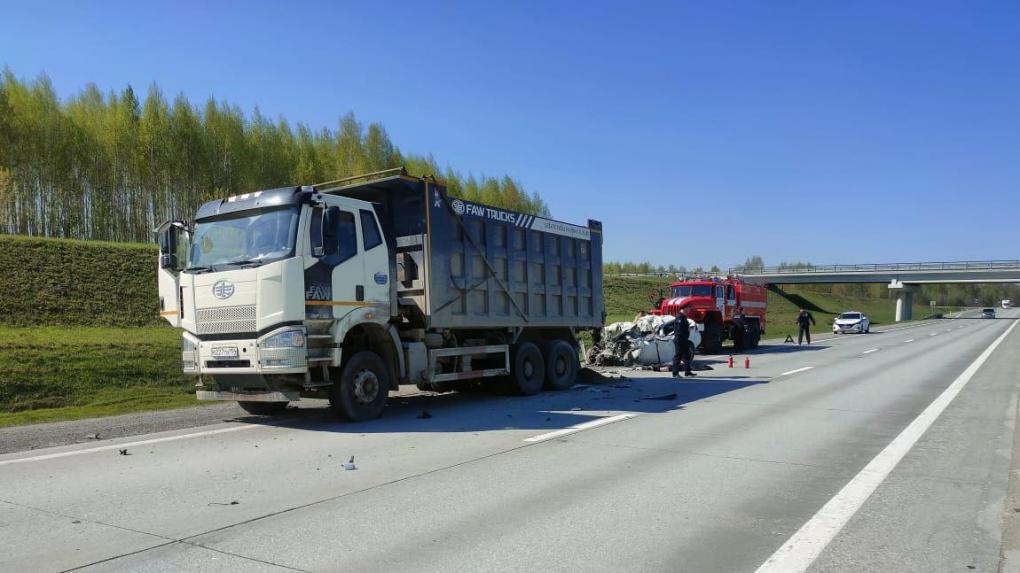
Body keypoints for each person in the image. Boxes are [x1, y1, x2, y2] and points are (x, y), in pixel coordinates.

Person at [672, 310, 696, 378]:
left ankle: (687, 372)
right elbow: (679, 330)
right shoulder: (679, 318)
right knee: (678, 356)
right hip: (680, 339)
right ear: (683, 309)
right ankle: (675, 373)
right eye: (687, 309)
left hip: (684, 339)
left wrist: (688, 329)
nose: (688, 311)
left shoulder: (684, 317)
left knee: (687, 355)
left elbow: (684, 328)